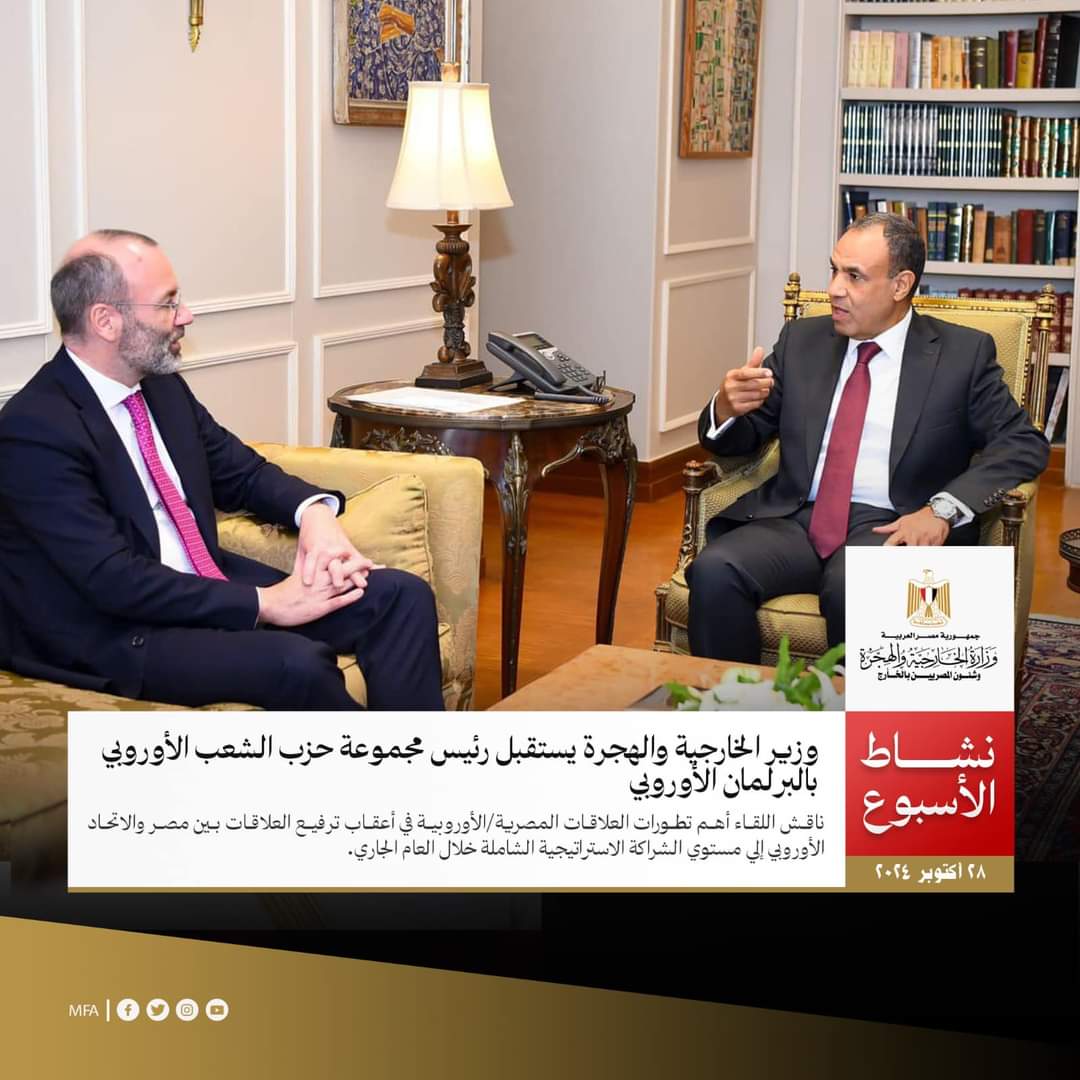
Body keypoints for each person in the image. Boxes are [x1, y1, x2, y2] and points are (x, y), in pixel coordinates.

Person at [0, 229, 444, 709]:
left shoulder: (161, 389)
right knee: (296, 663)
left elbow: (242, 473)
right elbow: (112, 579)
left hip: (208, 590)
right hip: (120, 632)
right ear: (106, 320)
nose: (186, 316)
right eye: (168, 303)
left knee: (401, 597)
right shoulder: (34, 429)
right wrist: (268, 603)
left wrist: (315, 515)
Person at [687, 212, 1049, 663]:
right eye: (834, 270)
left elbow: (1022, 443)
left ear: (900, 285)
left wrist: (942, 509)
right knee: (714, 570)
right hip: (797, 518)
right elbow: (743, 438)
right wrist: (726, 408)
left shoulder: (961, 355)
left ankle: (855, 711)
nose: (835, 289)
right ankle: (739, 707)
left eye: (854, 276)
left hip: (892, 522)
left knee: (854, 588)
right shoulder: (802, 341)